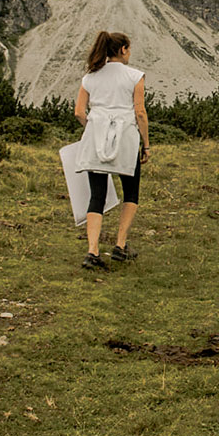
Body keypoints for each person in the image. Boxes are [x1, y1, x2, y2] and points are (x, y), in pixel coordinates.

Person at [73, 31, 150, 270]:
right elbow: (140, 112)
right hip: (125, 138)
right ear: (124, 49)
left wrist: (94, 129)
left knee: (97, 195)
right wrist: (146, 144)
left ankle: (92, 250)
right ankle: (120, 245)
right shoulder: (135, 76)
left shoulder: (90, 77)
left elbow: (78, 111)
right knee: (131, 192)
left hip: (96, 139)